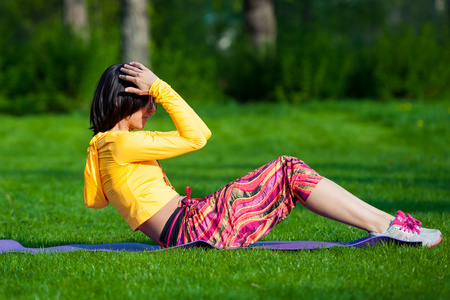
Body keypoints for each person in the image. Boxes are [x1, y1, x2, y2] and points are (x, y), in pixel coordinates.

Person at [84, 62, 442, 249]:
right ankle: (389, 227)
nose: (153, 108)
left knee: (289, 172)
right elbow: (198, 136)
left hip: (190, 223)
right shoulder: (120, 145)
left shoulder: (108, 147)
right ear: (125, 98)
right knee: (288, 168)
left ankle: (391, 226)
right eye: (147, 102)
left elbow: (97, 199)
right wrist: (161, 87)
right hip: (194, 230)